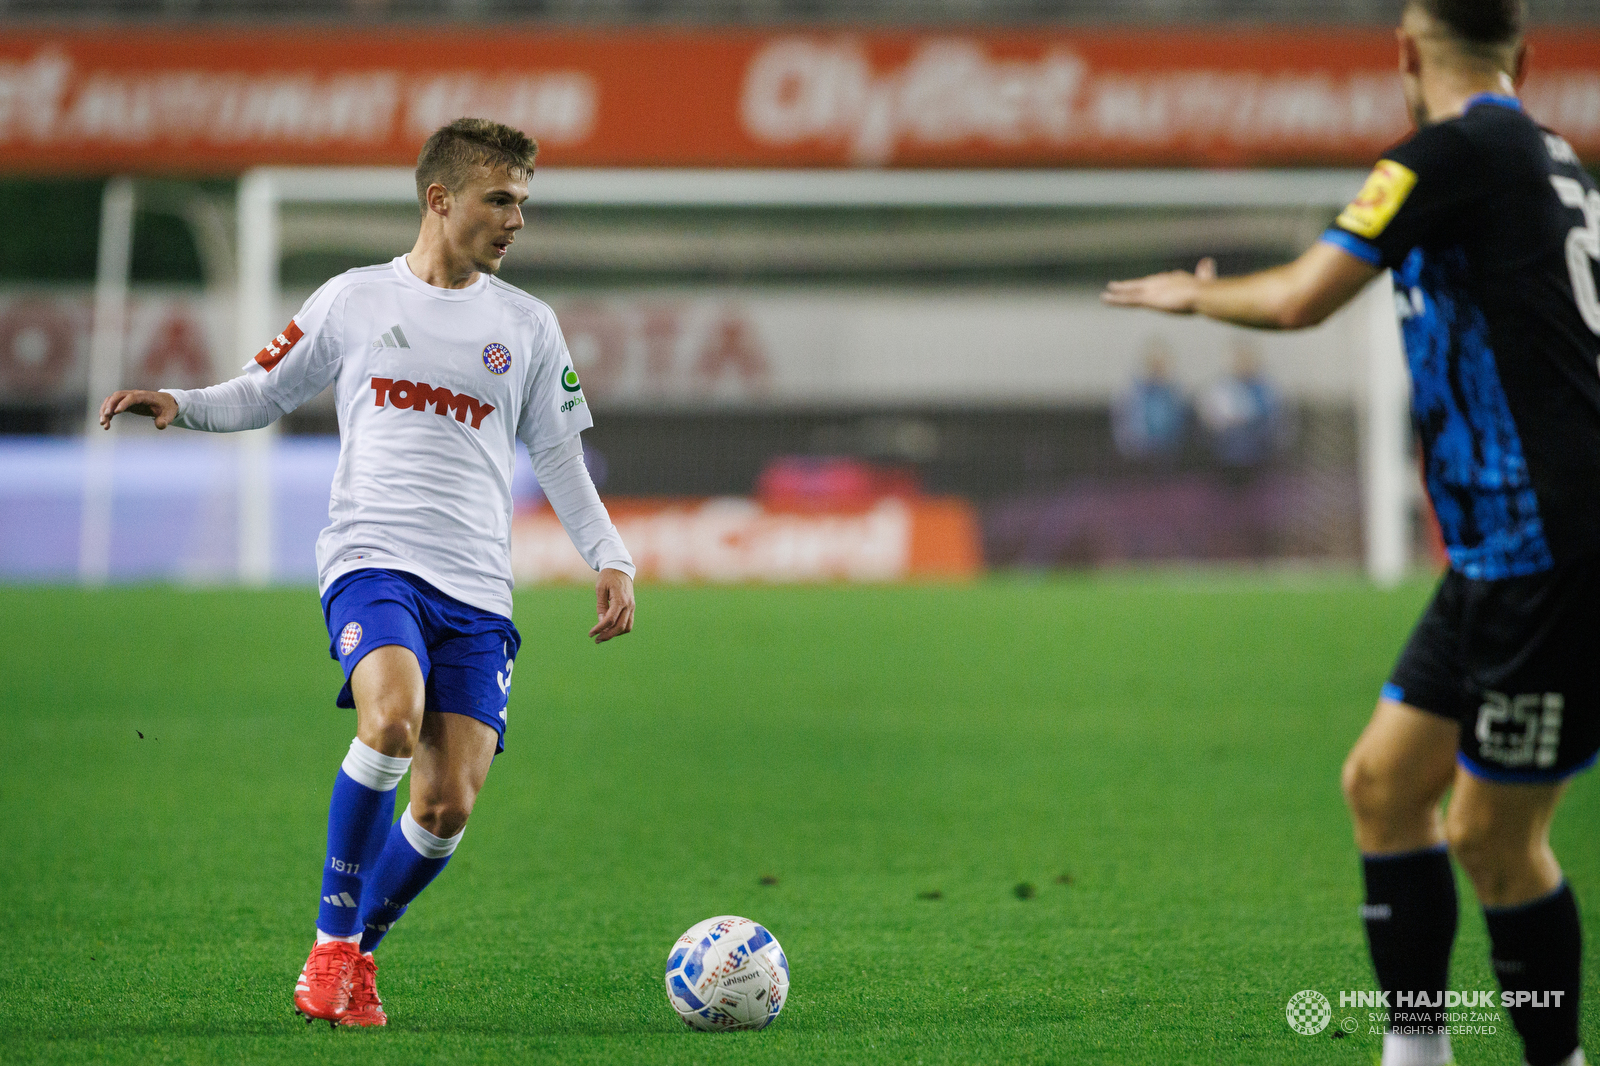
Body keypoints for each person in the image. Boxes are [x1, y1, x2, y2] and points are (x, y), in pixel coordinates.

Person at [1103, 1, 1594, 1063]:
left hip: (1552, 554)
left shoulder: (1447, 152)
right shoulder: (1549, 156)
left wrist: (1195, 305)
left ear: (1406, 54)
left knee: (1491, 838)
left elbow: (1298, 301)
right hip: (1499, 553)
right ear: (1526, 53)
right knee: (1382, 786)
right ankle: (1414, 1050)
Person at [98, 118, 637, 1028]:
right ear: (441, 198)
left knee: (446, 806)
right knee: (391, 721)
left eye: (524, 203)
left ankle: (359, 957)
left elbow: (558, 454)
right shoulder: (352, 299)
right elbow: (262, 390)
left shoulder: (529, 327)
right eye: (500, 199)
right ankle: (330, 945)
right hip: (372, 558)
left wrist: (610, 555)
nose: (516, 219)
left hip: (476, 590)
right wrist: (178, 403)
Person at [1196, 341, 1288, 470]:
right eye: (1240, 360)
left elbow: (1276, 419)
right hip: (1226, 444)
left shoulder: (1267, 389)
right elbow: (1212, 418)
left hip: (1261, 443)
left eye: (1247, 360)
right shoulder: (1221, 388)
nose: (1244, 364)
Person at [1111, 339, 1190, 465]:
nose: (1157, 366)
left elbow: (1181, 424)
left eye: (1161, 362)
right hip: (1136, 458)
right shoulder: (1132, 392)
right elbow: (1122, 424)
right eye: (1154, 362)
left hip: (1169, 457)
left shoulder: (1174, 392)